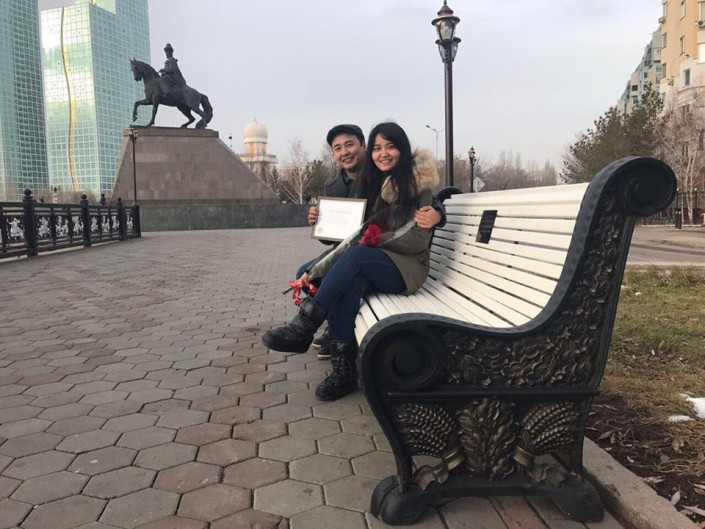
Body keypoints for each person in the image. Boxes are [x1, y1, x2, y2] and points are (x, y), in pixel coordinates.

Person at [264, 122, 439, 401]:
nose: (383, 153)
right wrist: (322, 238)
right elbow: (350, 235)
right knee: (349, 281)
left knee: (356, 257)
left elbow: (417, 240)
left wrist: (374, 240)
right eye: (378, 148)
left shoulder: (416, 185)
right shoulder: (372, 184)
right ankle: (345, 370)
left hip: (407, 268)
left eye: (390, 147)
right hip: (373, 261)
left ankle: (304, 327)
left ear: (403, 150)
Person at [300, 124, 445, 360]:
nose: (344, 152)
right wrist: (319, 224)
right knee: (309, 273)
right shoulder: (346, 184)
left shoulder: (400, 179)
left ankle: (305, 326)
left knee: (351, 263)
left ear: (362, 146)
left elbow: (426, 206)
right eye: (337, 148)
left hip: (392, 259)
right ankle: (341, 351)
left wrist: (438, 215)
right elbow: (339, 238)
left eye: (349, 144)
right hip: (364, 253)